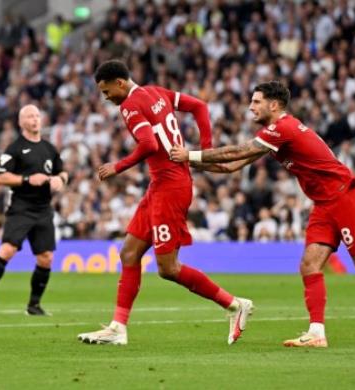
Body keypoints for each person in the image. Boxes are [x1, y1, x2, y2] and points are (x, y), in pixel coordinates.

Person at [170, 81, 355, 348]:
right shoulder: (274, 133)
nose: (251, 107)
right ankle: (317, 332)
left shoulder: (283, 128)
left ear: (275, 105)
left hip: (344, 195)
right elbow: (233, 166)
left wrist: (191, 156)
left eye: (257, 102)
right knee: (309, 265)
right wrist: (186, 164)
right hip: (323, 202)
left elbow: (238, 151)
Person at [76, 60, 253, 346]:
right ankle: (118, 328)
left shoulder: (130, 106)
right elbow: (200, 107)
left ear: (120, 83)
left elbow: (149, 145)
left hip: (170, 188)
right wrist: (205, 148)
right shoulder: (156, 92)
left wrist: (117, 167)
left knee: (168, 268)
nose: (106, 98)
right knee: (129, 254)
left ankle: (235, 304)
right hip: (161, 185)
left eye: (106, 91)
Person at [0, 104, 68, 315]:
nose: (35, 119)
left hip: (43, 209)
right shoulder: (14, 149)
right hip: (21, 208)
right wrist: (27, 179)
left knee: (46, 258)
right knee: (7, 250)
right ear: (21, 122)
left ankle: (33, 305)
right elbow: (0, 177)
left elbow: (63, 173)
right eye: (30, 116)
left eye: (37, 115)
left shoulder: (49, 149)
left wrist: (59, 180)